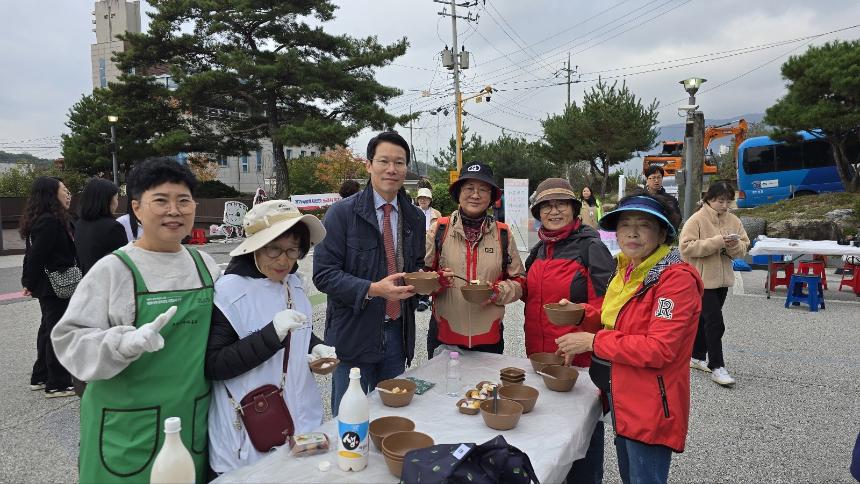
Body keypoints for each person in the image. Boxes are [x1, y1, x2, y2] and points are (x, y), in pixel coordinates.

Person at [51, 158, 221, 482]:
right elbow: (69, 339)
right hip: (126, 432)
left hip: (191, 420)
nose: (174, 211)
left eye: (183, 201)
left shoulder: (205, 265)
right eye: (161, 201)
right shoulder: (114, 270)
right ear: (137, 209)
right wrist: (121, 344)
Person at [555, 191, 703, 484]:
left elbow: (659, 349)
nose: (632, 232)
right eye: (625, 224)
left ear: (663, 233)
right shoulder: (626, 267)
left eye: (644, 224)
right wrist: (582, 312)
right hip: (621, 393)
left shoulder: (675, 280)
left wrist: (592, 342)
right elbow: (617, 317)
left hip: (649, 402)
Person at [206, 200, 335, 475]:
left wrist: (317, 348)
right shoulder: (229, 293)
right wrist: (271, 334)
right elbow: (215, 364)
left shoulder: (294, 284)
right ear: (254, 247)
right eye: (274, 248)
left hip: (301, 424)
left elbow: (298, 333)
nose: (284, 260)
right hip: (248, 435)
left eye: (292, 250)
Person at [313, 131, 425, 414]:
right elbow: (324, 275)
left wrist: (427, 279)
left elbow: (414, 266)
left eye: (399, 163)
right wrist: (374, 289)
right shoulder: (341, 214)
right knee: (349, 420)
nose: (391, 169)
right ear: (369, 165)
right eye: (384, 161)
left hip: (397, 334)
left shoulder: (415, 216)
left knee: (392, 416)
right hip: (353, 335)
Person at [522, 178, 614, 484]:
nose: (554, 211)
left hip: (583, 363)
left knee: (584, 441)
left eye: (561, 204)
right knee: (549, 434)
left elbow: (612, 307)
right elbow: (529, 292)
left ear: (574, 209)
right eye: (546, 205)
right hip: (542, 359)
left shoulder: (591, 247)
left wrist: (580, 314)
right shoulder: (538, 250)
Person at [425, 161, 526, 357]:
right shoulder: (440, 229)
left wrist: (497, 292)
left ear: (491, 197)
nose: (475, 195)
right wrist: (438, 280)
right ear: (459, 193)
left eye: (483, 189)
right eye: (469, 188)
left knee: (485, 388)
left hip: (489, 338)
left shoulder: (503, 233)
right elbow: (421, 275)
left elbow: (520, 281)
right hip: (444, 336)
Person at [679, 181, 749, 387]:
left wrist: (735, 245)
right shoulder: (697, 219)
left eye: (728, 201)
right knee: (715, 322)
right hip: (701, 281)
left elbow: (745, 246)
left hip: (723, 280)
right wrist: (717, 242)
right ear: (709, 199)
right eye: (720, 201)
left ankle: (697, 356)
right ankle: (717, 366)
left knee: (704, 321)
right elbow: (686, 248)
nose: (724, 205)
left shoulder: (734, 220)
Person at [20, 176, 76, 398]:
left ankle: (41, 376)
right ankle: (58, 383)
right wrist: (29, 282)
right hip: (55, 284)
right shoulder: (49, 221)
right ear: (51, 194)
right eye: (63, 189)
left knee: (47, 329)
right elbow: (36, 255)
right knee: (56, 331)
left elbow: (31, 255)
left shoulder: (41, 219)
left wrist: (29, 282)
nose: (67, 192)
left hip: (49, 284)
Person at [75, 178, 127, 275]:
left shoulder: (80, 224)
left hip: (87, 282)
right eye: (116, 198)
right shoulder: (113, 227)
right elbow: (124, 263)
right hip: (109, 284)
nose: (117, 202)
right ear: (107, 200)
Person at [416, 187, 441, 312]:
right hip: (417, 244)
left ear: (430, 200)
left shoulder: (436, 214)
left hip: (431, 245)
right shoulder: (413, 211)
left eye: (425, 198)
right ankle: (418, 296)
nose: (422, 200)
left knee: (428, 268)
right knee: (417, 269)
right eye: (420, 198)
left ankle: (424, 298)